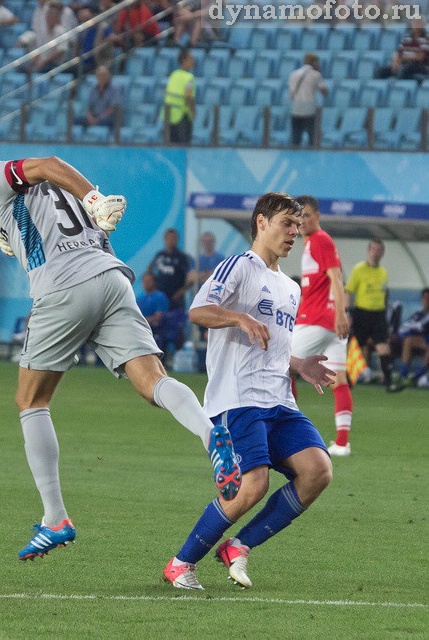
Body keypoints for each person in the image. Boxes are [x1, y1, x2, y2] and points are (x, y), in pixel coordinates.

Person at [0, 139, 241, 560]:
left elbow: (48, 163)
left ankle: (55, 519)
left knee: (31, 400)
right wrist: (16, 231)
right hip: (112, 279)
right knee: (153, 382)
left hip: (65, 287)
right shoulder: (37, 192)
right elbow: (51, 205)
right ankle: (210, 433)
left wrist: (93, 197)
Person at [164, 193, 334, 591]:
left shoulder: (290, 288)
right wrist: (238, 316)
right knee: (252, 486)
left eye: (299, 225)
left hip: (280, 399)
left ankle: (239, 546)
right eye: (287, 224)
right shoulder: (239, 266)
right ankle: (181, 563)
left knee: (317, 472)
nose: (295, 232)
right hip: (238, 399)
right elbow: (198, 311)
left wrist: (299, 365)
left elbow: (273, 347)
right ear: (261, 222)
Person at [290, 196, 353, 457]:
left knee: (282, 367)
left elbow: (336, 277)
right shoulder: (312, 243)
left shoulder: (319, 240)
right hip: (328, 324)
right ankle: (341, 443)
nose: (302, 221)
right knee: (339, 380)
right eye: (298, 217)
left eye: (306, 215)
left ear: (317, 215)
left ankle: (286, 432)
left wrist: (341, 313)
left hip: (317, 320)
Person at [346, 238, 401, 393]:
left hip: (378, 315)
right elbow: (349, 291)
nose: (376, 252)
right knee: (355, 347)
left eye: (379, 250)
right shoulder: (359, 269)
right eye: (374, 249)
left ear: (382, 253)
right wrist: (348, 313)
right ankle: (349, 382)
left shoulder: (383, 272)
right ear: (369, 250)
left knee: (384, 348)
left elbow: (385, 294)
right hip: (361, 313)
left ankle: (389, 384)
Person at [148, 228, 195, 311]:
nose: (171, 240)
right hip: (160, 297)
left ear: (177, 240)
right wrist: (154, 286)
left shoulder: (183, 257)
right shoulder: (160, 255)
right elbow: (150, 269)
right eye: (169, 238)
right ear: (165, 239)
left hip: (175, 299)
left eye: (174, 238)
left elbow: (191, 279)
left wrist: (180, 292)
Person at [288, 52, 327, 147]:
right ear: (314, 63)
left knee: (296, 138)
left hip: (296, 108)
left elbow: (292, 94)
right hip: (309, 109)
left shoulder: (293, 74)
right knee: (312, 138)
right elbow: (324, 92)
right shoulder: (316, 75)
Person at [397, 288, 429, 385]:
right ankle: (403, 375)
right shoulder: (418, 315)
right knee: (409, 340)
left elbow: (421, 327)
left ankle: (417, 377)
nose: (426, 301)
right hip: (422, 342)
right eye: (425, 298)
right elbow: (403, 329)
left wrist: (417, 328)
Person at [163, 49, 195, 145]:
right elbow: (188, 95)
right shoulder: (189, 77)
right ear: (184, 60)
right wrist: (193, 110)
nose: (193, 61)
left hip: (169, 116)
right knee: (183, 146)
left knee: (171, 146)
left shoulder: (174, 74)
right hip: (182, 117)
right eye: (191, 58)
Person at [77, 64, 121, 129]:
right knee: (76, 120)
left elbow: (113, 108)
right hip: (93, 116)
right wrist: (90, 118)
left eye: (104, 75)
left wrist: (98, 119)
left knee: (104, 122)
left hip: (107, 118)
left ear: (108, 76)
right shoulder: (93, 89)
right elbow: (88, 108)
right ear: (96, 76)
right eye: (100, 75)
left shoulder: (114, 90)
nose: (101, 77)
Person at [136, 271, 168, 339]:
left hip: (155, 331)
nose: (146, 283)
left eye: (149, 281)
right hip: (139, 329)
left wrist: (142, 321)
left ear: (154, 282)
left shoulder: (159, 296)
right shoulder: (139, 298)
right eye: (144, 281)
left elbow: (159, 317)